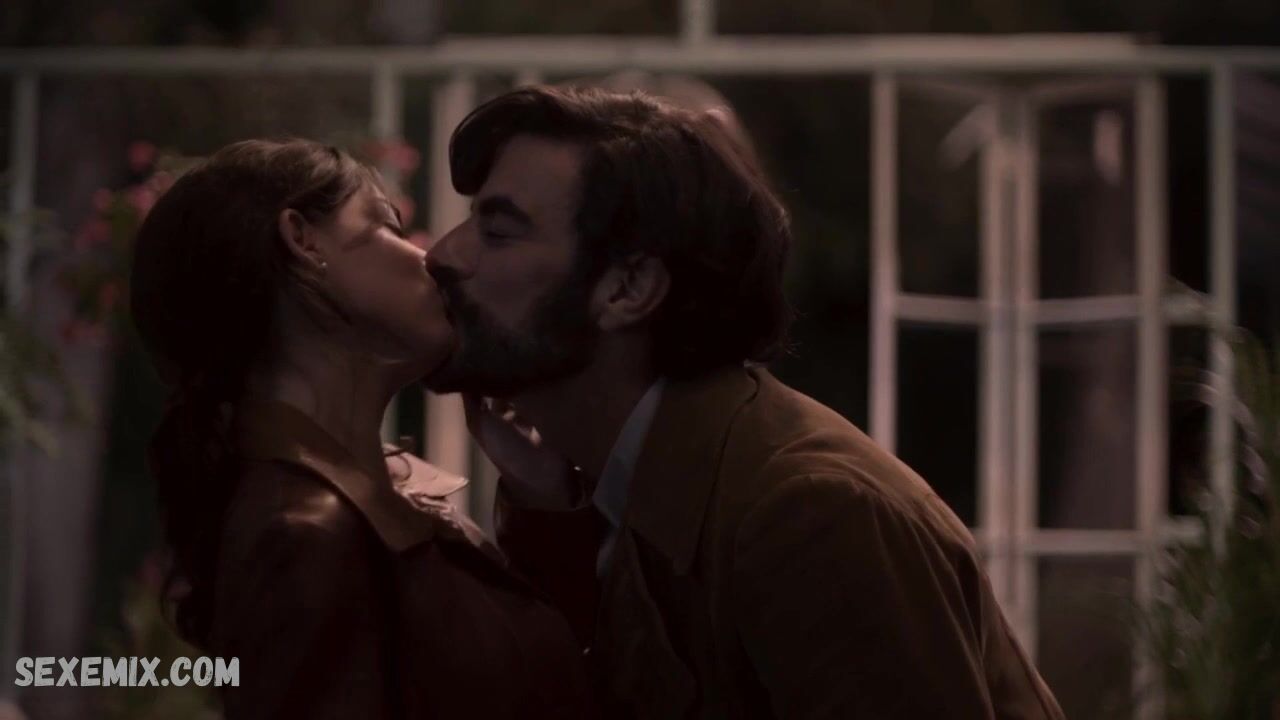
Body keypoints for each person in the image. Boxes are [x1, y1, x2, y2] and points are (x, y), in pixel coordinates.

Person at [424, 85, 1066, 719]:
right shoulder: (636, 481)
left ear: (628, 288)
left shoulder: (809, 513)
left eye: (497, 231)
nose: (442, 253)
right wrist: (551, 514)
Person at [129, 138, 593, 719]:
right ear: (303, 241)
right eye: (386, 226)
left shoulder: (372, 498)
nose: (432, 258)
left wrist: (542, 500)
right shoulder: (302, 535)